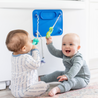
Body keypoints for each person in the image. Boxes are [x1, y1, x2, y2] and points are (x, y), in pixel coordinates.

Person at [5, 29, 49, 98]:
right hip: (24, 92)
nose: (31, 41)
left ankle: (14, 88)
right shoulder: (25, 58)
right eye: (30, 40)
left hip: (14, 90)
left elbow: (26, 55)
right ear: (24, 48)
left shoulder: (14, 55)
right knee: (44, 85)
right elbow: (36, 64)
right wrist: (35, 50)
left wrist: (30, 47)